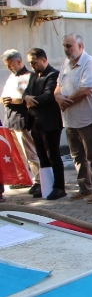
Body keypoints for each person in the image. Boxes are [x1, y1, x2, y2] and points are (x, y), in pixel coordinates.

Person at [54, 34, 92, 203]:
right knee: (77, 157)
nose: (66, 50)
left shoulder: (90, 62)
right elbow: (58, 88)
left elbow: (85, 90)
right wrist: (58, 98)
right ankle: (84, 188)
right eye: (64, 46)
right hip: (70, 120)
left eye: (69, 46)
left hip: (88, 119)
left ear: (80, 46)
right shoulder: (66, 64)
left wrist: (65, 103)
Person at [23, 48, 65, 200]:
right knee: (41, 155)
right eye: (30, 63)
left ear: (43, 60)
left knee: (53, 154)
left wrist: (31, 100)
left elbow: (48, 95)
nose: (32, 66)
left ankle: (59, 186)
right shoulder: (33, 75)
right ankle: (46, 185)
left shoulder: (53, 74)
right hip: (35, 122)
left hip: (50, 122)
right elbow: (25, 91)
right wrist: (26, 97)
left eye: (34, 62)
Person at [1, 49, 40, 192]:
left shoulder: (27, 76)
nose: (9, 68)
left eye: (10, 65)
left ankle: (39, 180)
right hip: (10, 118)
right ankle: (23, 178)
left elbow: (24, 97)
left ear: (18, 61)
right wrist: (4, 99)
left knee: (29, 152)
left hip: (22, 119)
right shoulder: (11, 77)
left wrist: (11, 99)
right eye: (6, 65)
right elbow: (4, 95)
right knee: (17, 154)